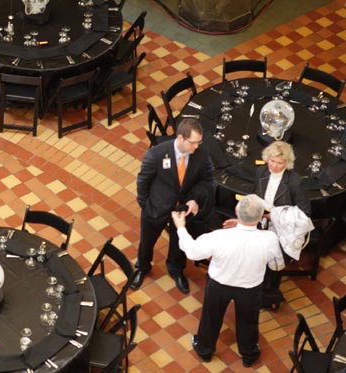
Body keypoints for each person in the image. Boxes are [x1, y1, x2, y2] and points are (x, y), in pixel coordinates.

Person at [172, 194, 284, 367]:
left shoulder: (219, 237)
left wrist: (180, 227)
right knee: (248, 321)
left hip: (219, 284)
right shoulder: (270, 239)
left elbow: (192, 252)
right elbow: (277, 266)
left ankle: (204, 349)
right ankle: (249, 354)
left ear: (237, 211)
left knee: (211, 317)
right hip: (250, 288)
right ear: (261, 216)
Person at [223, 140, 311, 309]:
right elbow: (257, 196)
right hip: (261, 222)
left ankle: (270, 296)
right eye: (272, 161)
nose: (275, 166)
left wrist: (274, 216)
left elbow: (305, 215)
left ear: (287, 163)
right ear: (267, 159)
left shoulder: (295, 181)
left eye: (280, 163)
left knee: (273, 266)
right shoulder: (261, 172)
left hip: (281, 230)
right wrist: (245, 218)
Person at [132, 118, 215, 293]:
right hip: (156, 207)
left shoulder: (202, 154)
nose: (196, 147)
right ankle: (142, 267)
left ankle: (176, 269)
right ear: (180, 138)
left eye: (199, 142)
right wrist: (145, 205)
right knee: (147, 241)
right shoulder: (157, 154)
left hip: (183, 208)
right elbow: (143, 180)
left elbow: (207, 180)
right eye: (193, 143)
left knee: (179, 241)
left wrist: (194, 199)